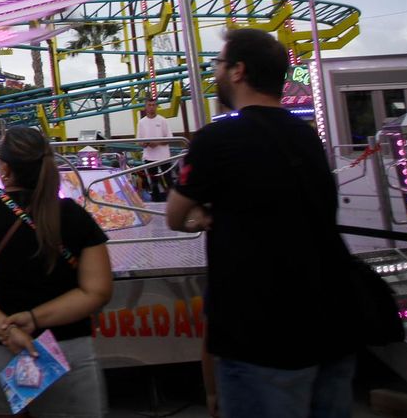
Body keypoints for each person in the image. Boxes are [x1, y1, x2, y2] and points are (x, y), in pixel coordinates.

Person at [166, 29, 356, 418]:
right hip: (330, 319)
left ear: (238, 71)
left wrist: (200, 218)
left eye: (219, 64)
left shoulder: (216, 139)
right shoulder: (306, 137)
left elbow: (174, 214)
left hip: (260, 330)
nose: (216, 72)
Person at [0, 127, 114, 418]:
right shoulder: (74, 217)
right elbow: (96, 291)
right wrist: (34, 319)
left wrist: (6, 329)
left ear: (5, 167)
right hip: (63, 351)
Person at [137, 101, 173, 202]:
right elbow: (138, 140)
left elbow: (169, 138)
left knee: (169, 181)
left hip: (164, 156)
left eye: (153, 105)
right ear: (145, 107)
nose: (151, 107)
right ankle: (156, 202)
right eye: (149, 105)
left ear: (156, 106)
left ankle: (173, 203)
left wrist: (157, 142)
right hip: (149, 156)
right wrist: (144, 143)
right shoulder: (141, 122)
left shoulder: (163, 120)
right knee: (153, 183)